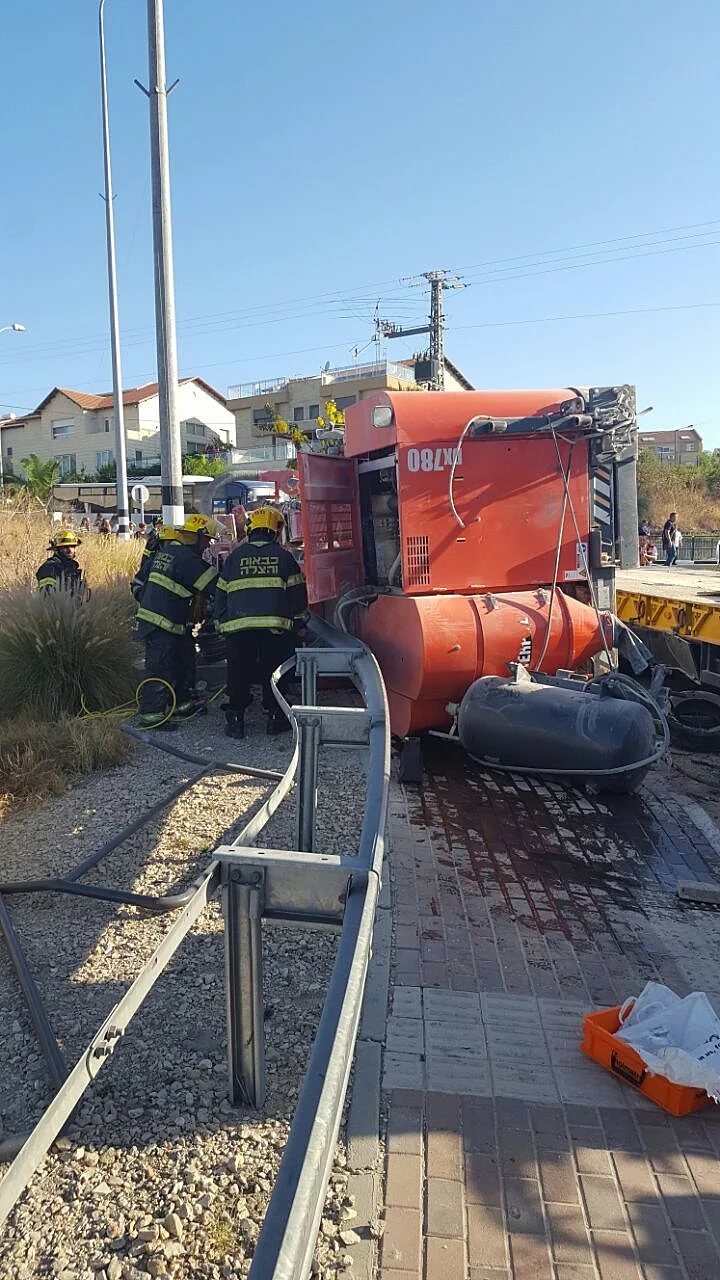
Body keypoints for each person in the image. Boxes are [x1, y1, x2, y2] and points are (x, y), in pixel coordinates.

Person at [214, 506, 308, 739]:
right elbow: (298, 596)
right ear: (275, 531)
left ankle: (235, 720)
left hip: (238, 628)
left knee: (238, 671)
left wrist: (221, 621)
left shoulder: (235, 557)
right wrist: (297, 622)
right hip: (275, 629)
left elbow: (220, 593)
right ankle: (275, 718)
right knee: (274, 671)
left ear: (251, 529)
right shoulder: (284, 557)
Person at [134, 514, 220, 728]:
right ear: (197, 537)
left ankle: (182, 705)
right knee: (160, 667)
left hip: (168, 621)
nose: (208, 544)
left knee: (183, 661)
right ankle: (152, 716)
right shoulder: (188, 560)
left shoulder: (168, 552)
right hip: (161, 622)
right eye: (207, 540)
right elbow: (216, 587)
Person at [35, 531, 86, 598]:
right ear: (56, 549)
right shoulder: (49, 567)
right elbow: (46, 595)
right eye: (65, 547)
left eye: (72, 546)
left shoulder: (72, 568)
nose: (70, 550)